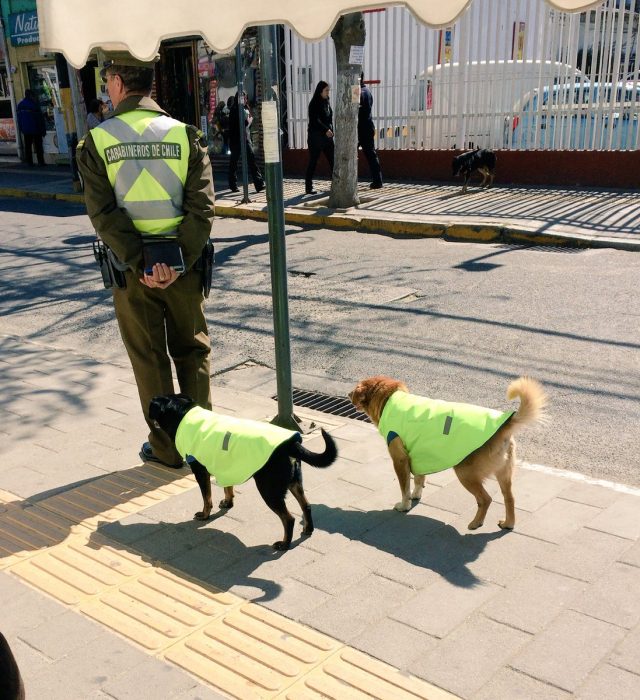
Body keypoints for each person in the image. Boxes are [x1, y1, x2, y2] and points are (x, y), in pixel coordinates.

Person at [76, 51, 215, 469]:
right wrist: (176, 263)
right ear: (149, 83)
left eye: (107, 81)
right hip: (184, 272)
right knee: (192, 351)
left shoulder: (98, 142)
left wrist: (142, 263)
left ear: (117, 81)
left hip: (131, 275)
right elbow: (202, 209)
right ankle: (202, 446)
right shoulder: (185, 135)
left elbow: (104, 215)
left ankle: (167, 448)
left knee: (149, 358)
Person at [228, 92, 264, 193]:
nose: (244, 100)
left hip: (246, 139)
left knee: (252, 160)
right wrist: (249, 119)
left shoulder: (245, 109)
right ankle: (233, 184)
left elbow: (248, 125)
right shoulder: (234, 110)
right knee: (234, 163)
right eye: (242, 98)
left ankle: (259, 184)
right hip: (236, 140)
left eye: (245, 98)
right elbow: (244, 123)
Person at [305, 81, 334, 195]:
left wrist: (331, 130)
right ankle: (308, 187)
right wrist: (325, 130)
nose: (328, 92)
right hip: (316, 137)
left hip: (327, 138)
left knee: (333, 160)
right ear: (320, 91)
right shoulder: (314, 103)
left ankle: (336, 183)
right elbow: (315, 121)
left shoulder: (326, 102)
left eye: (328, 90)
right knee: (313, 161)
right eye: (326, 90)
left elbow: (329, 118)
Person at [358, 74, 383, 189]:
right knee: (371, 155)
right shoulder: (367, 91)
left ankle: (350, 181)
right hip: (368, 126)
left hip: (358, 129)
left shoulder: (356, 91)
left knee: (349, 155)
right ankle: (378, 181)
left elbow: (354, 112)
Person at [17, 89, 46, 166]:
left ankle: (29, 162)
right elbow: (39, 118)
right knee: (38, 146)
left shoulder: (20, 105)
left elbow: (19, 119)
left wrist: (21, 128)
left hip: (26, 130)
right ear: (31, 95)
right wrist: (43, 129)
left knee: (28, 146)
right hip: (35, 129)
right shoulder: (34, 105)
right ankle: (41, 161)